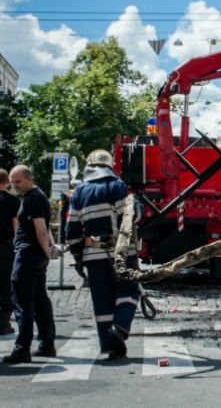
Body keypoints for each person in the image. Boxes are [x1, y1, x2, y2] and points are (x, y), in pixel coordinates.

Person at [65, 150, 142, 360]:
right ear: (109, 166)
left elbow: (71, 229)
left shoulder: (80, 192)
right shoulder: (117, 187)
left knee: (102, 299)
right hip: (121, 253)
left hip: (93, 255)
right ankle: (120, 327)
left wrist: (78, 257)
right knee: (129, 290)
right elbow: (129, 217)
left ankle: (111, 348)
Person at [3, 165, 56, 363]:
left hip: (28, 255)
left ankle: (22, 348)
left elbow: (41, 229)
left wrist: (47, 252)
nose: (15, 186)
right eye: (12, 182)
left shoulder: (33, 198)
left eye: (18, 182)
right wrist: (46, 253)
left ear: (29, 179)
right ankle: (46, 343)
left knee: (22, 303)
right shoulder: (36, 196)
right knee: (40, 301)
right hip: (35, 256)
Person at [0, 169, 21, 335]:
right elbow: (16, 227)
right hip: (5, 246)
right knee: (6, 283)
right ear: (7, 182)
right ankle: (4, 322)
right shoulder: (13, 201)